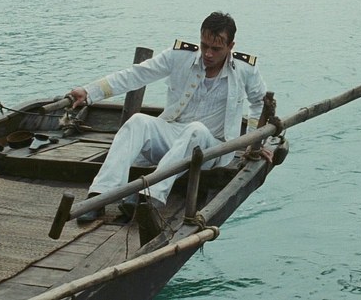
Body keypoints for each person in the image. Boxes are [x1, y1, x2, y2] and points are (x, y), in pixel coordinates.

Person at [67, 12, 268, 223]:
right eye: (204, 45)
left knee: (196, 130)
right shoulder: (180, 56)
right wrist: (90, 92)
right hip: (174, 134)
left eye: (216, 49)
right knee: (137, 121)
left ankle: (148, 197)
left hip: (213, 148)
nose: (208, 53)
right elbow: (137, 74)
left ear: (230, 46)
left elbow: (260, 102)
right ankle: (99, 196)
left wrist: (254, 142)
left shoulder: (245, 69)